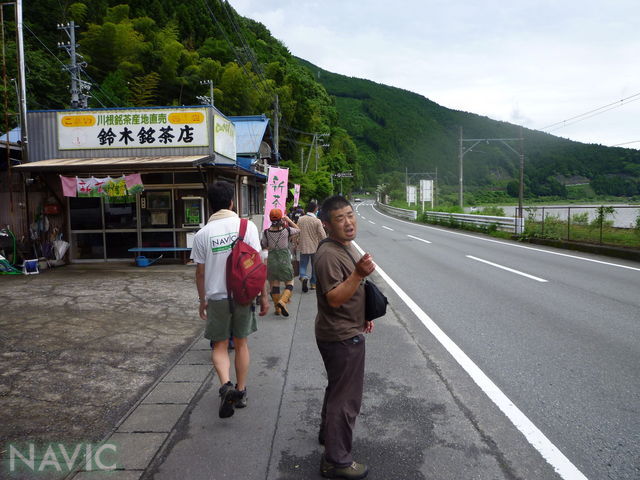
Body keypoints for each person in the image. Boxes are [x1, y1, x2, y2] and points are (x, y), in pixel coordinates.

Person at [191, 181, 269, 419]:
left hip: (216, 297)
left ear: (209, 204)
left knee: (220, 345)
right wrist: (264, 296)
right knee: (242, 343)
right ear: (232, 202)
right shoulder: (247, 227)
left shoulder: (202, 233)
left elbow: (200, 272)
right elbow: (258, 265)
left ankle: (226, 385)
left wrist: (202, 299)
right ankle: (241, 391)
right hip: (243, 296)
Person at [313, 195, 376, 479]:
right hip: (340, 336)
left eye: (350, 215)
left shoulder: (343, 247)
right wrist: (359, 273)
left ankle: (329, 436)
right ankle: (337, 461)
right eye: (340, 218)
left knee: (337, 389)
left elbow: (348, 292)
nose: (349, 222)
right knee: (346, 399)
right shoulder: (328, 254)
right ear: (326, 224)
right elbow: (335, 298)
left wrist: (363, 314)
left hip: (344, 330)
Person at [261, 208, 299, 317]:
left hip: (272, 259)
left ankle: (277, 309)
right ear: (281, 218)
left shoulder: (266, 232)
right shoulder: (286, 230)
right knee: (290, 282)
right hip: (284, 260)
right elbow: (298, 229)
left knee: (275, 284)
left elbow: (264, 244)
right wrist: (289, 220)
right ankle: (283, 301)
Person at [296, 200, 326, 293]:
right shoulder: (317, 221)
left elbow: (296, 231)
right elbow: (322, 235)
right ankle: (313, 284)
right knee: (314, 266)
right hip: (315, 247)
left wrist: (295, 242)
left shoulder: (300, 219)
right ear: (315, 209)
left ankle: (303, 277)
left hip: (303, 246)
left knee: (303, 264)